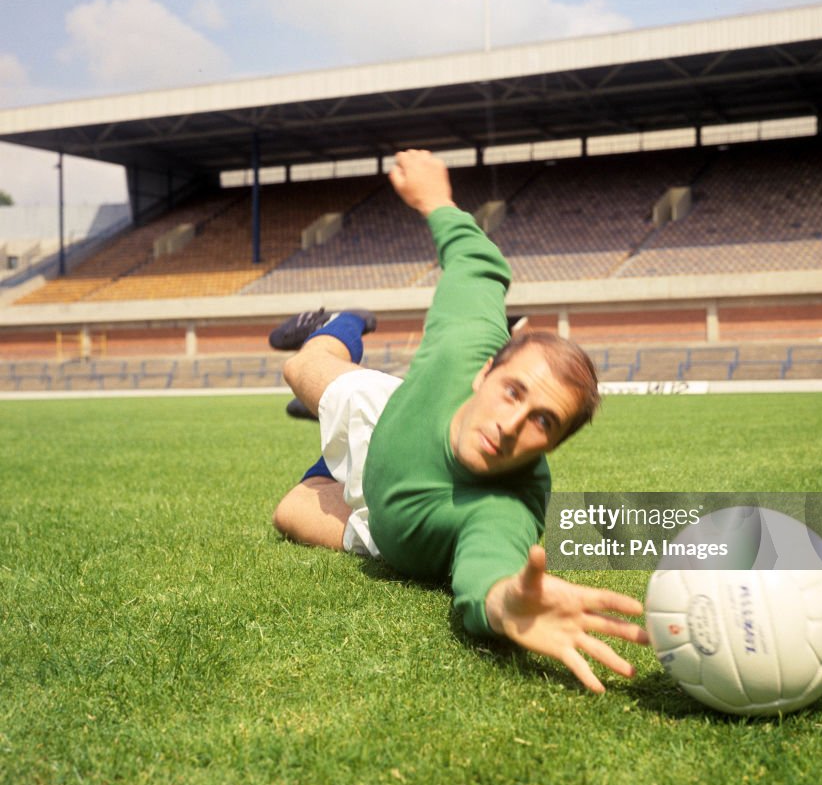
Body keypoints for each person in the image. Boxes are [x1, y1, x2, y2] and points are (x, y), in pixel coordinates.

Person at [271, 149, 649, 693]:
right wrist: (438, 201)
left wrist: (506, 606)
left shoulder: (506, 505)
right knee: (300, 366)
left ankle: (331, 453)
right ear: (483, 375)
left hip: (383, 522)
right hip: (391, 418)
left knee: (289, 513)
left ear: (555, 444)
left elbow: (491, 572)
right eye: (512, 391)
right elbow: (478, 265)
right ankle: (343, 322)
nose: (515, 421)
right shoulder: (465, 346)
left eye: (543, 421)